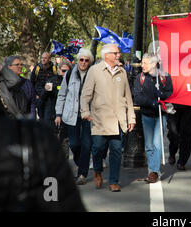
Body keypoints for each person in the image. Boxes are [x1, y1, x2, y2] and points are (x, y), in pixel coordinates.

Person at [0, 15, 85, 211]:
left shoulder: (33, 137)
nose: (20, 68)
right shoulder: (35, 140)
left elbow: (32, 99)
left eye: (21, 65)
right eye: (16, 65)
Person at [80, 44, 136, 192]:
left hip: (118, 119)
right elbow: (85, 95)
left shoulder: (122, 72)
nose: (119, 55)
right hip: (99, 119)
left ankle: (113, 181)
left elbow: (128, 97)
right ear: (106, 55)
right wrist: (85, 111)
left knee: (117, 150)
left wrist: (131, 118)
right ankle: (98, 171)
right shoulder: (94, 70)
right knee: (98, 148)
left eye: (118, 53)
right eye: (116, 53)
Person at [56, 49, 94, 185]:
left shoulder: (93, 73)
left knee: (86, 144)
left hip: (88, 115)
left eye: (86, 60)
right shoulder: (70, 73)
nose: (83, 62)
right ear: (78, 60)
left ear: (90, 62)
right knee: (74, 144)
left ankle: (82, 173)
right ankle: (80, 163)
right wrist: (58, 114)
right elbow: (62, 95)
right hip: (71, 115)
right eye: (81, 60)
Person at [133, 53, 173, 183]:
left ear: (154, 64)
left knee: (157, 143)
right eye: (142, 63)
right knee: (149, 145)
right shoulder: (140, 78)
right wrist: (152, 102)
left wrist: (161, 94)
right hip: (147, 115)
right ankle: (152, 169)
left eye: (145, 63)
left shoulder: (164, 76)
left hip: (160, 116)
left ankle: (154, 171)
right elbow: (137, 97)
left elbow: (170, 93)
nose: (142, 65)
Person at [167, 104, 191, 170]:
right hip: (174, 102)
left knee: (186, 132)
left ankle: (182, 161)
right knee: (173, 130)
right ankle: (172, 152)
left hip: (190, 104)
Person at [31, 51, 57, 119]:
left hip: (49, 97)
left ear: (49, 59)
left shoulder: (54, 69)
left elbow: (57, 81)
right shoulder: (37, 68)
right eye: (42, 58)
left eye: (45, 58)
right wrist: (35, 94)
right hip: (39, 96)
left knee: (47, 117)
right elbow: (32, 81)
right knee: (40, 116)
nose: (43, 59)